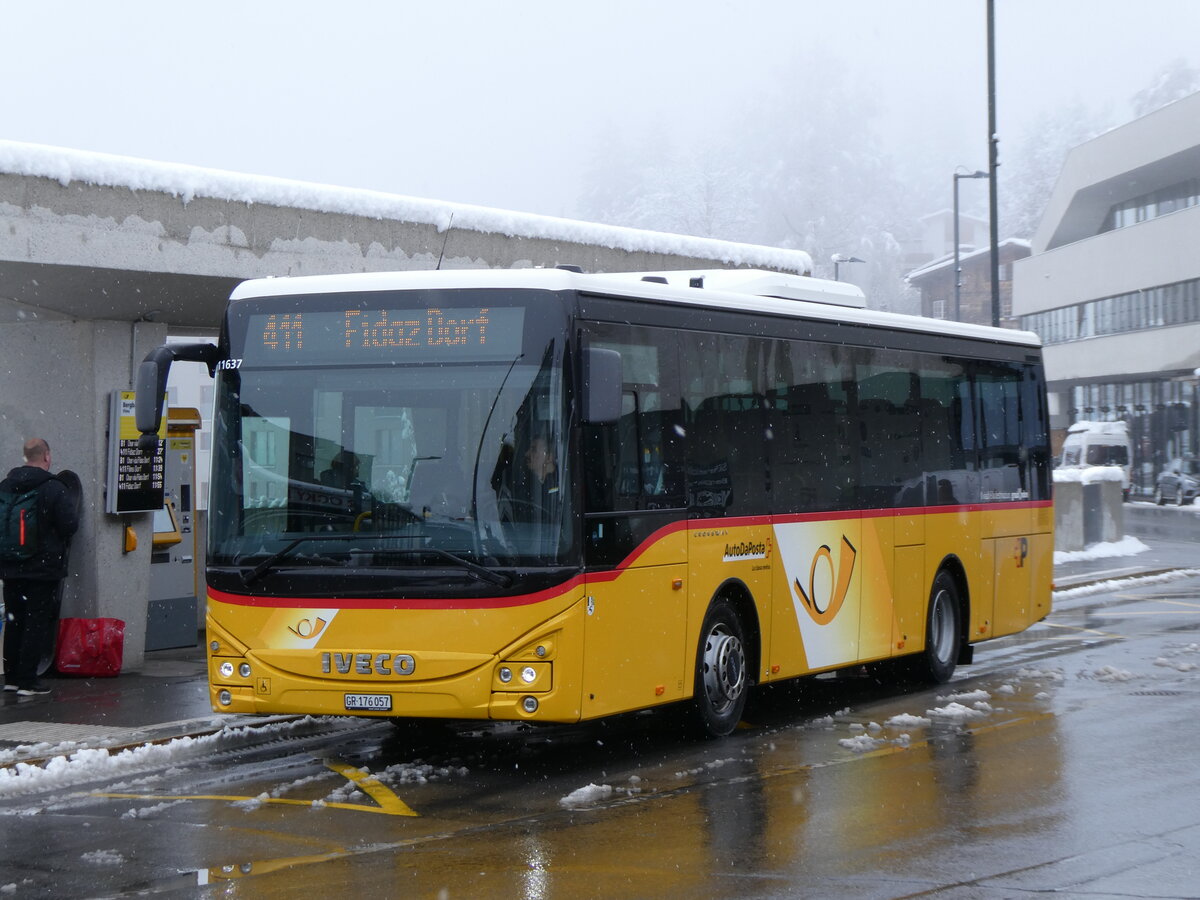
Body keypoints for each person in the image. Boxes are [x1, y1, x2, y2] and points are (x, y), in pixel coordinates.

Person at [1, 438, 80, 696]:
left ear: (26, 457)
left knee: (14, 620)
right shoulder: (53, 487)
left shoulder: (6, 485)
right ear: (46, 456)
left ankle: (11, 677)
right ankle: (28, 680)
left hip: (11, 567)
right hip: (42, 568)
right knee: (36, 622)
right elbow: (69, 525)